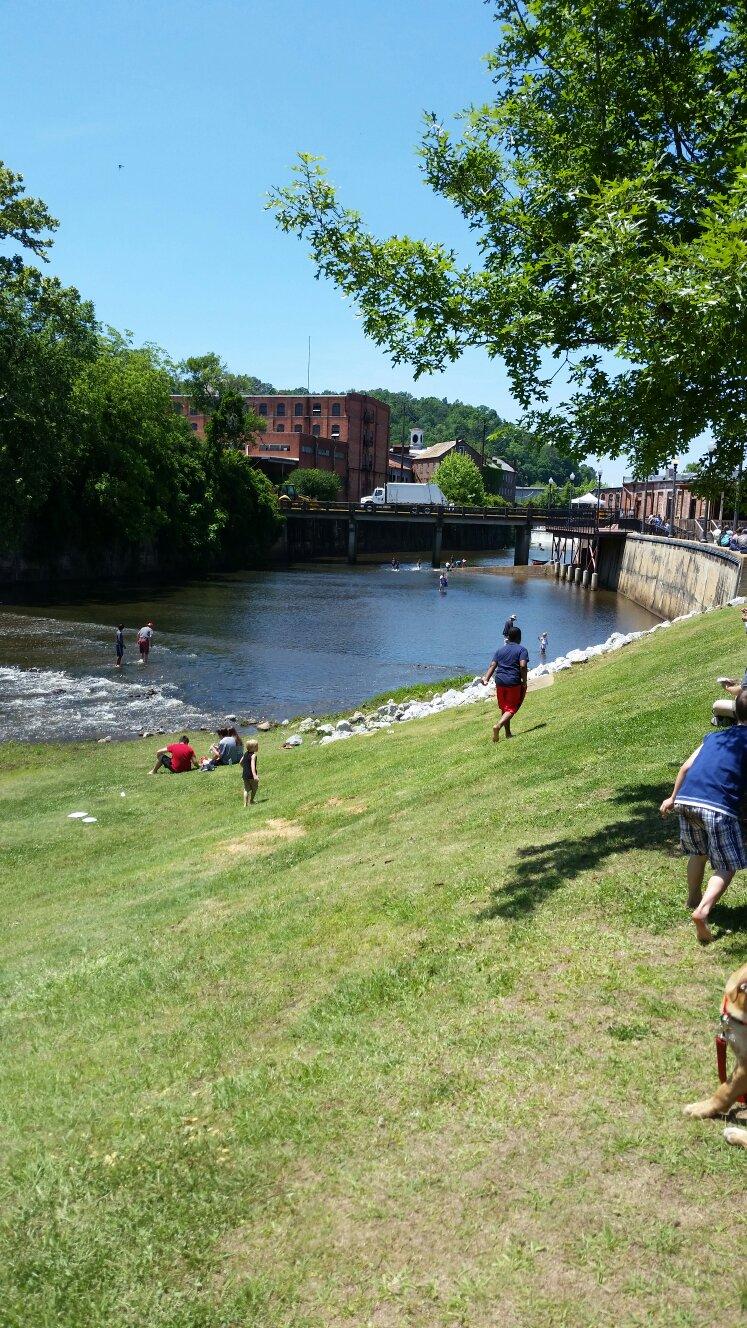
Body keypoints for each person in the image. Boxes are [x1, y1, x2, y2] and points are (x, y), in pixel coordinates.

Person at [660, 687, 747, 943]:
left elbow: (686, 766)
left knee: (698, 852)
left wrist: (672, 798)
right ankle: (703, 910)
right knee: (727, 864)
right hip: (718, 807)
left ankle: (692, 897)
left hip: (687, 800)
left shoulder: (713, 737)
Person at [481, 625, 529, 741]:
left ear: (508, 637)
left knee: (504, 707)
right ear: (519, 637)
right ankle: (498, 726)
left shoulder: (500, 650)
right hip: (513, 682)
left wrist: (486, 678)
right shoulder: (522, 650)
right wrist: (524, 681)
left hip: (500, 681)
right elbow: (522, 666)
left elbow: (493, 665)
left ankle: (508, 733)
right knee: (512, 708)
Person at [240, 739, 259, 806]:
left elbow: (240, 762)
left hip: (245, 775)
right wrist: (255, 776)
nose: (258, 747)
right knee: (255, 788)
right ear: (253, 748)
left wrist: (245, 768)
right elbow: (252, 766)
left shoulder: (245, 753)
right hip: (251, 775)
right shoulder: (253, 755)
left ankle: (245, 804)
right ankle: (251, 800)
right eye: (256, 746)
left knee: (246, 789)